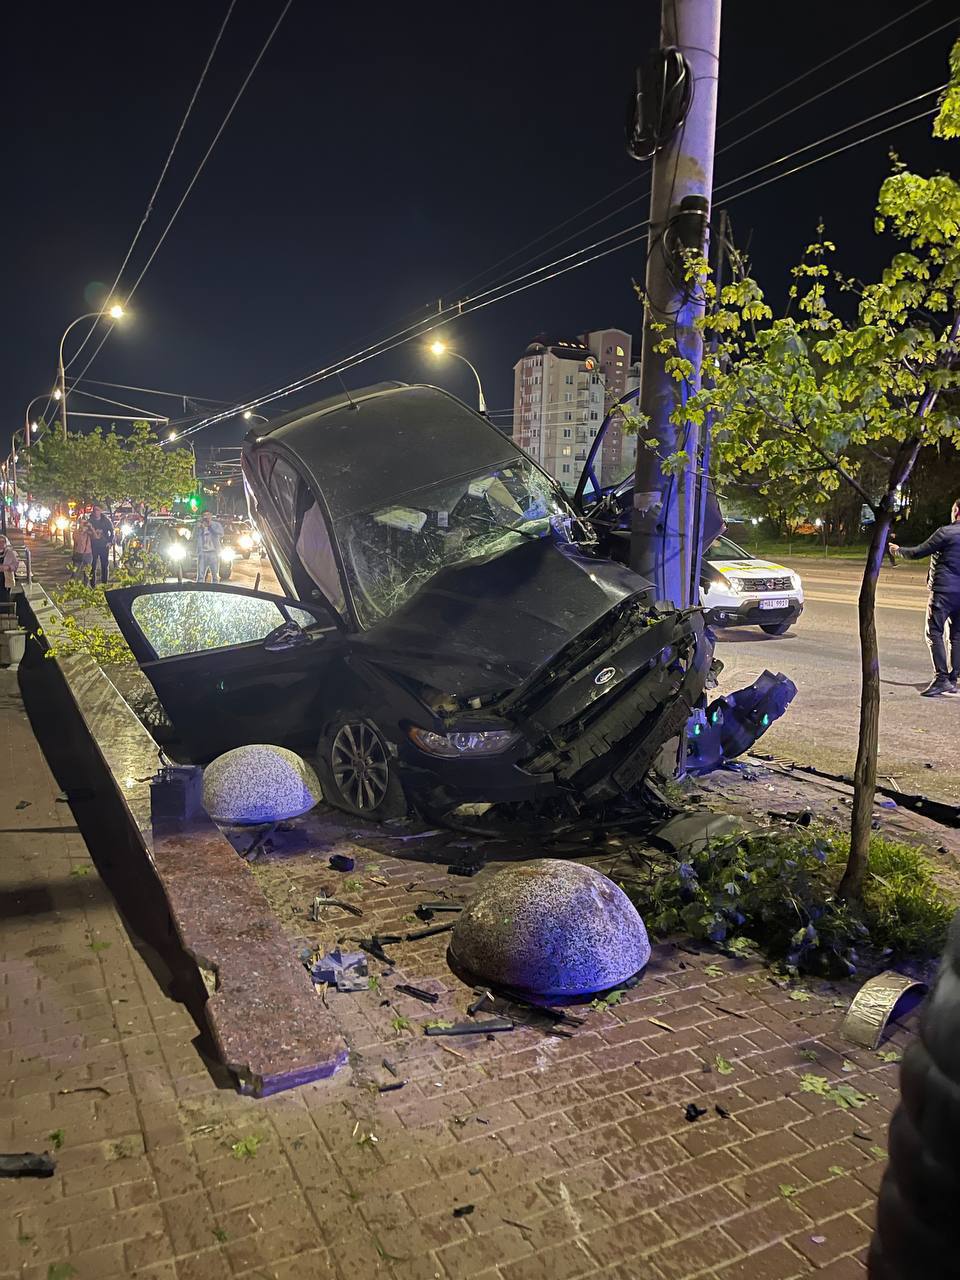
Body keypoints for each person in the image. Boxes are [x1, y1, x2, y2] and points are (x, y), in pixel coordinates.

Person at [890, 498, 960, 697]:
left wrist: (898, 550)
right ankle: (953, 678)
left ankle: (941, 679)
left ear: (956, 512)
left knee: (934, 632)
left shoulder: (945, 533)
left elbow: (918, 552)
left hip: (944, 592)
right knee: (957, 635)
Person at [87, 504, 114, 587]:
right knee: (93, 565)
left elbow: (112, 532)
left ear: (101, 511)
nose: (96, 512)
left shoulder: (106, 520)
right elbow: (86, 532)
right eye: (94, 510)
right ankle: (92, 585)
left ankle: (104, 583)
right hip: (93, 546)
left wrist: (109, 542)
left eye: (98, 510)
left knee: (104, 565)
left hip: (103, 546)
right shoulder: (90, 521)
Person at [195, 511, 224, 583]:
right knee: (200, 576)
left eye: (208, 515)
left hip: (213, 552)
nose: (206, 517)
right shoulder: (199, 526)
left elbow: (221, 533)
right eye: (204, 515)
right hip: (202, 553)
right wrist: (199, 528)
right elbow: (194, 536)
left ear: (211, 515)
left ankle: (214, 591)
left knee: (215, 575)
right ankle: (200, 591)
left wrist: (211, 526)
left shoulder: (216, 525)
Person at [0, 535, 19, 603]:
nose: (1, 543)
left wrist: (8, 567)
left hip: (6, 581)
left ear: (6, 543)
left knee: (5, 599)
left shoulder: (10, 553)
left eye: (3, 542)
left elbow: (16, 565)